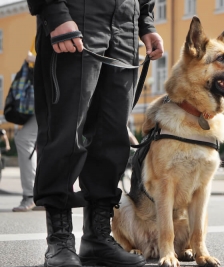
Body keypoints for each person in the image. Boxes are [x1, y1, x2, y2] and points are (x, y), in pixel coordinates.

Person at [26, 1, 164, 267]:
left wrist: (145, 22)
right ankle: (60, 240)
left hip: (125, 23)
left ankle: (97, 238)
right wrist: (55, 13)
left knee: (112, 137)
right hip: (76, 15)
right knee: (65, 133)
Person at [12, 50, 40, 212]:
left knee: (24, 139)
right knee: (49, 143)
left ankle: (31, 195)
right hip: (49, 95)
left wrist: (33, 59)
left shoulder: (53, 26)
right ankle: (43, 196)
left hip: (53, 95)